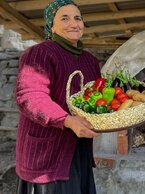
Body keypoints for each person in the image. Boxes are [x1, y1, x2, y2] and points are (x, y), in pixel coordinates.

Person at [15, 0, 100, 193]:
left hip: (78, 149)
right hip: (48, 151)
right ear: (51, 26)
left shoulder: (90, 60)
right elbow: (30, 96)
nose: (73, 23)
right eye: (65, 18)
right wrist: (67, 120)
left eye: (77, 18)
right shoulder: (39, 54)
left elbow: (95, 98)